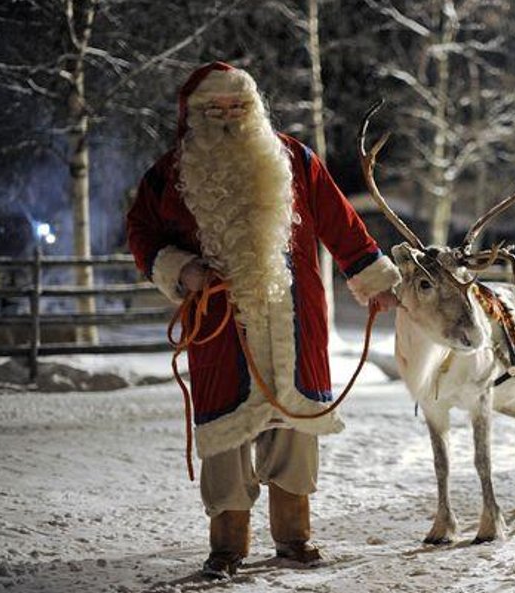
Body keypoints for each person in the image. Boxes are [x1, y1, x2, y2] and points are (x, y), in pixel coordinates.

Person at [126, 61, 400, 580]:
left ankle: (293, 538)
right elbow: (141, 232)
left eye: (238, 106)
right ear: (194, 115)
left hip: (294, 320)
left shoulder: (294, 158)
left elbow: (341, 222)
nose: (228, 116)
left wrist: (375, 279)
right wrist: (181, 268)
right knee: (226, 434)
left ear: (253, 108)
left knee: (295, 425)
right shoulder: (168, 173)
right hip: (217, 322)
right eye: (216, 108)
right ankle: (227, 545)